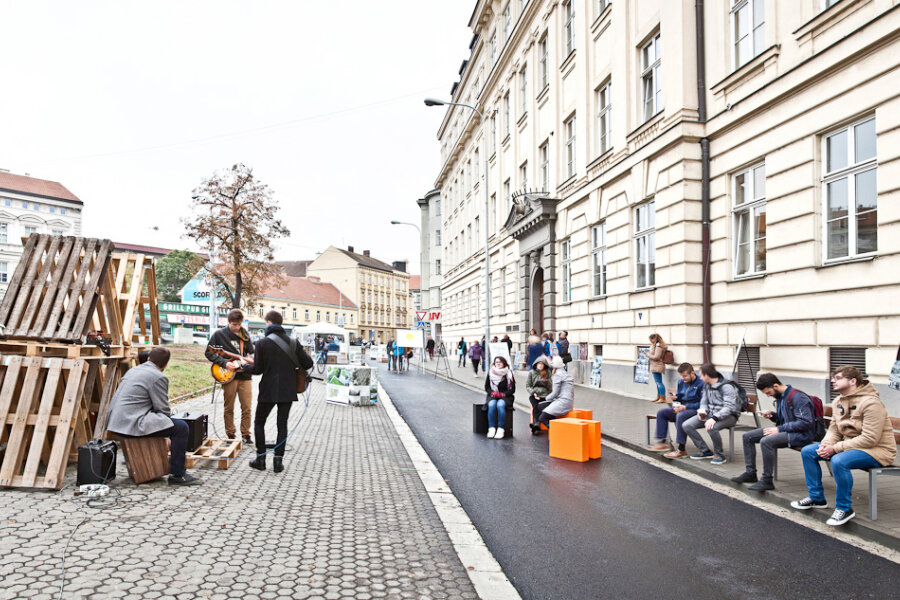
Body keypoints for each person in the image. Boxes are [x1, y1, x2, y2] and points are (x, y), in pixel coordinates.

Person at [790, 366, 897, 526]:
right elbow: (834, 429)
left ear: (852, 381)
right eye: (833, 378)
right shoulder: (838, 401)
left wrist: (835, 448)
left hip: (877, 451)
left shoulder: (871, 403)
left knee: (839, 461)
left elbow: (870, 439)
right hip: (850, 446)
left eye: (838, 378)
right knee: (808, 452)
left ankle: (844, 508)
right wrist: (826, 445)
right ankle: (816, 498)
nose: (833, 381)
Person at [106, 347, 200, 486]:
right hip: (131, 423)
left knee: (170, 425)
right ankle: (178, 474)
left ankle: (173, 469)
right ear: (165, 365)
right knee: (181, 428)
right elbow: (163, 410)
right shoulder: (158, 377)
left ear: (149, 358)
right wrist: (166, 435)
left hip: (115, 422)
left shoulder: (134, 370)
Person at [248, 310, 313, 473]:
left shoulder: (262, 343)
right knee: (282, 424)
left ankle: (260, 460)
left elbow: (257, 370)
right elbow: (308, 363)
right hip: (287, 389)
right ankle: (278, 462)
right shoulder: (293, 342)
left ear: (269, 323)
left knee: (259, 422)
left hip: (268, 389)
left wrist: (244, 367)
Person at [731, 373, 815, 491]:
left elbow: (805, 423)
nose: (768, 396)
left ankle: (767, 480)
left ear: (775, 386)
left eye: (768, 392)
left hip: (802, 435)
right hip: (789, 431)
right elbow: (785, 419)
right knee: (747, 436)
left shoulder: (798, 397)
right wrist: (772, 415)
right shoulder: (781, 397)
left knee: (766, 441)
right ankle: (750, 473)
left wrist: (779, 429)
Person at [205, 309, 255, 443]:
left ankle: (246, 434)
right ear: (228, 322)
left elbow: (251, 353)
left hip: (245, 375)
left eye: (239, 324)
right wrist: (225, 363)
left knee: (247, 407)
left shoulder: (245, 335)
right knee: (229, 407)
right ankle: (230, 433)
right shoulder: (219, 334)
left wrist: (251, 357)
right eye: (234, 325)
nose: (237, 327)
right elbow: (208, 353)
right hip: (228, 376)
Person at [681, 364, 741, 465]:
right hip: (711, 414)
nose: (700, 378)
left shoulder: (727, 386)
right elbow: (704, 402)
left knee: (711, 427)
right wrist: (703, 411)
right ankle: (705, 451)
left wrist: (714, 418)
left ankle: (719, 455)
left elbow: (729, 407)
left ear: (707, 375)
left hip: (729, 416)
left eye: (701, 375)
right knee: (687, 425)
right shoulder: (707, 385)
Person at [649, 363, 704, 458]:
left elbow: (703, 404)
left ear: (692, 373)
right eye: (681, 376)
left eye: (685, 376)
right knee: (662, 413)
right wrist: (675, 398)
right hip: (682, 408)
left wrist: (685, 407)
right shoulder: (681, 382)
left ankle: (681, 449)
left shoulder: (701, 383)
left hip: (695, 410)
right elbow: (680, 396)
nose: (683, 378)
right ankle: (663, 442)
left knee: (680, 416)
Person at [531, 355, 574, 433]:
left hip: (562, 402)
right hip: (569, 403)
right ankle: (538, 424)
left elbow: (555, 393)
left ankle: (557, 431)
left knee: (542, 417)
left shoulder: (558, 375)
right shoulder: (565, 374)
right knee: (541, 406)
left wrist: (545, 398)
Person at [483, 356, 516, 439]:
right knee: (492, 405)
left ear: (504, 363)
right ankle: (491, 428)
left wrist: (503, 394)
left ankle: (501, 429)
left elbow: (512, 389)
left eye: (500, 362)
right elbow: (487, 387)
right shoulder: (491, 372)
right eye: (496, 362)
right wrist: (492, 393)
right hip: (493, 395)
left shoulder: (509, 373)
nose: (498, 363)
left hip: (505, 396)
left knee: (500, 405)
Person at [526, 355, 553, 433]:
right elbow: (528, 386)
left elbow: (551, 387)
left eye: (542, 364)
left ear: (544, 365)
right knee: (535, 406)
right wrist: (533, 393)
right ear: (536, 364)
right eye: (539, 363)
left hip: (545, 395)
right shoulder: (531, 373)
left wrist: (547, 381)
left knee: (540, 406)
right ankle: (536, 423)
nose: (540, 365)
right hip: (534, 394)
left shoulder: (548, 373)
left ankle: (536, 424)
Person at [643, 334, 668, 403]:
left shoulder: (659, 347)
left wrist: (648, 355)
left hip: (657, 366)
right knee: (657, 382)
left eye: (651, 339)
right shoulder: (657, 346)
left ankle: (662, 398)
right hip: (655, 365)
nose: (650, 341)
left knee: (659, 382)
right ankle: (659, 397)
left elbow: (656, 357)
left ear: (654, 339)